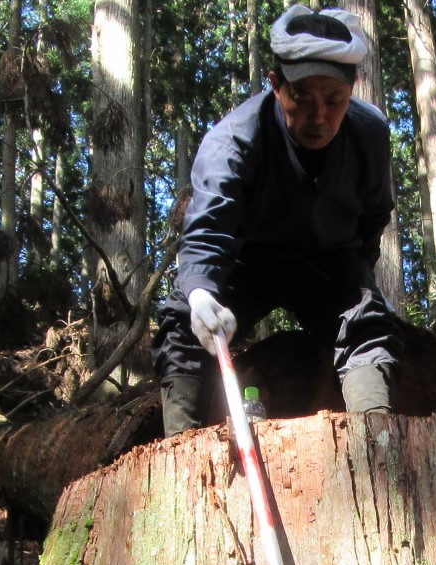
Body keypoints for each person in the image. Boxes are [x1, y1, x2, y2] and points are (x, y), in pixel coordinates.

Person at [152, 5, 405, 435]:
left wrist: (354, 274)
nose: (319, 117)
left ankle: (374, 447)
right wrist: (199, 293)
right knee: (181, 325)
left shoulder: (371, 134)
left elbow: (374, 215)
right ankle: (183, 448)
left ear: (352, 89)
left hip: (329, 262)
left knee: (369, 324)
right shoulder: (233, 141)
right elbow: (209, 230)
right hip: (246, 264)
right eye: (302, 98)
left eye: (334, 101)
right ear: (275, 85)